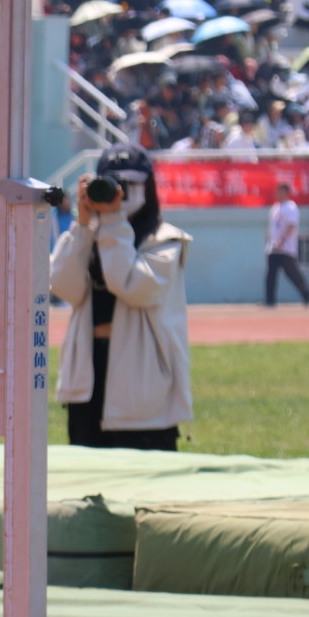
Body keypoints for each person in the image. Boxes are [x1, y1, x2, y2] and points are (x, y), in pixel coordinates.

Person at [52, 144, 191, 451]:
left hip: (142, 384)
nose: (119, 193)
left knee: (145, 478)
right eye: (111, 183)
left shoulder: (166, 241)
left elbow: (131, 285)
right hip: (88, 378)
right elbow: (63, 287)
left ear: (148, 187)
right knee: (91, 476)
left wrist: (113, 221)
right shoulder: (91, 234)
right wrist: (83, 226)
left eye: (128, 184)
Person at [263, 182, 309, 307]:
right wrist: (269, 240)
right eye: (277, 192)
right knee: (270, 275)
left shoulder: (291, 207)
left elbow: (291, 225)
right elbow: (272, 227)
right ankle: (269, 301)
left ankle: (306, 295)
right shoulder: (275, 208)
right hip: (273, 247)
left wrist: (282, 240)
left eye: (281, 192)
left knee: (292, 274)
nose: (278, 194)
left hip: (286, 247)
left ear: (287, 193)